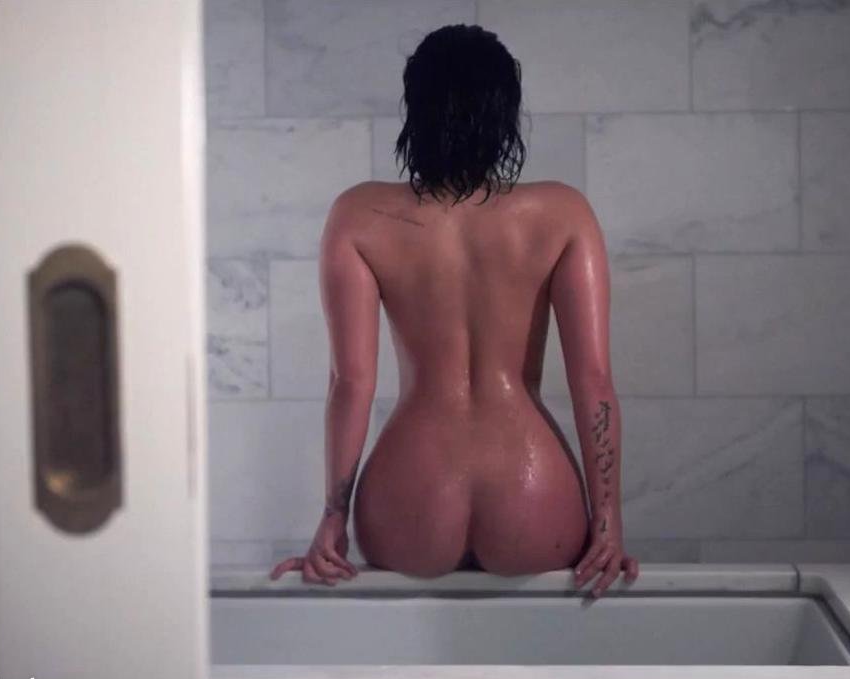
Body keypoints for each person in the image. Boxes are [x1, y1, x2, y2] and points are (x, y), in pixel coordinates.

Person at [270, 24, 639, 598]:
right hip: (533, 496)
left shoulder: (359, 216)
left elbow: (351, 382)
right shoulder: (563, 214)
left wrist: (332, 520)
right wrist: (609, 521)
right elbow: (593, 380)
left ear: (415, 111)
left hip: (410, 501)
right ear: (505, 115)